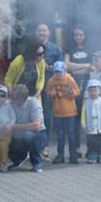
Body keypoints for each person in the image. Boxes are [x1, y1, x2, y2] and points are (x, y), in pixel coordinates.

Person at [35, 23, 63, 155]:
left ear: (49, 33)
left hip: (48, 87)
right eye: (39, 30)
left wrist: (49, 67)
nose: (41, 32)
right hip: (33, 86)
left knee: (47, 115)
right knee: (33, 115)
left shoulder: (55, 49)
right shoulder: (31, 48)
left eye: (44, 30)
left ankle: (44, 145)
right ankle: (33, 146)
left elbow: (61, 68)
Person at [5, 84, 47, 173]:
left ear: (21, 98)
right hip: (18, 135)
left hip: (38, 134)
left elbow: (36, 126)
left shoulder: (33, 103)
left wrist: (14, 127)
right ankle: (18, 159)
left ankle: (36, 163)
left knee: (28, 135)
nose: (11, 97)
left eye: (13, 96)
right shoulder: (10, 104)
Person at [45, 61, 80, 164]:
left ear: (65, 71)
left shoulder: (69, 79)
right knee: (60, 135)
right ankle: (60, 155)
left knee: (71, 134)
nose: (58, 74)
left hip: (70, 112)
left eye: (60, 71)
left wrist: (73, 93)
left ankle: (73, 155)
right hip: (58, 112)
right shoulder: (51, 80)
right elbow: (47, 91)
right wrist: (51, 94)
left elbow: (77, 90)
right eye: (56, 72)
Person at [64, 26, 91, 153]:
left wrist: (75, 67)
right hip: (72, 85)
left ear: (84, 36)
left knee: (87, 117)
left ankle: (91, 149)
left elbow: (93, 67)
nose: (78, 37)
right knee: (74, 119)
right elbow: (67, 66)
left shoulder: (90, 49)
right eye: (76, 35)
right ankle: (76, 148)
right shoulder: (69, 49)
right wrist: (85, 65)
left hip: (87, 85)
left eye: (81, 35)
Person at [81, 80, 101, 163]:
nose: (93, 93)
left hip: (99, 126)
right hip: (90, 127)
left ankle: (99, 155)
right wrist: (84, 125)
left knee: (99, 142)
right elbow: (83, 115)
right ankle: (92, 155)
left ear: (99, 91)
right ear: (88, 91)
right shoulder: (86, 103)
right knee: (90, 142)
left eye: (95, 90)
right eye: (91, 91)